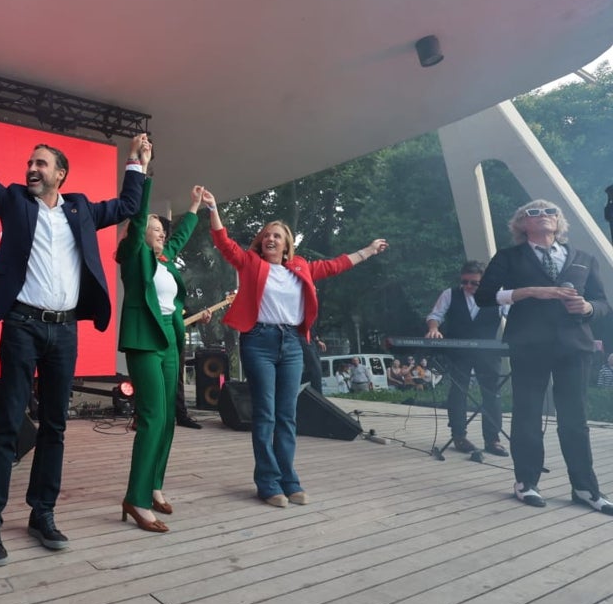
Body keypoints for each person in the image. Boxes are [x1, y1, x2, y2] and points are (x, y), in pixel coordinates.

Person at [0, 94, 147, 566]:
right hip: (21, 325)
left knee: (55, 425)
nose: (31, 168)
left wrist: (136, 161)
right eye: (29, 162)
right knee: (8, 423)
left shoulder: (81, 210)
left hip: (64, 333)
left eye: (41, 163)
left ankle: (42, 512)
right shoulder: (14, 201)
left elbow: (130, 204)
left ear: (60, 174)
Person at [208, 199, 387, 507]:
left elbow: (335, 265)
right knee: (265, 413)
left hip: (291, 343)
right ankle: (268, 483)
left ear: (287, 244)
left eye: (277, 235)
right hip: (259, 341)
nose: (270, 238)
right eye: (266, 235)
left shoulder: (301, 267)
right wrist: (212, 209)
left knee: (287, 414)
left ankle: (289, 480)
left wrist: (368, 250)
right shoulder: (251, 263)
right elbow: (224, 243)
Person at [475, 199, 611, 514]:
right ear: (522, 225)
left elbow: (603, 303)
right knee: (527, 415)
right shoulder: (509, 257)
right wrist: (527, 292)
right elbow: (483, 297)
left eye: (549, 211)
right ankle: (526, 483)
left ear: (559, 221)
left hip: (574, 346)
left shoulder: (583, 258)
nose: (542, 215)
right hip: (528, 344)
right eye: (532, 212)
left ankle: (585, 488)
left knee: (575, 419)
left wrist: (588, 308)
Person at [116, 180, 208, 532]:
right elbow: (139, 223)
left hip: (170, 337)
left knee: (169, 417)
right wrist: (143, 174)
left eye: (160, 230)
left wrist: (195, 207)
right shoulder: (133, 257)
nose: (159, 233)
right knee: (152, 417)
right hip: (143, 340)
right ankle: (135, 499)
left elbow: (179, 236)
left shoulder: (165, 262)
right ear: (138, 233)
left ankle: (153, 486)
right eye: (152, 229)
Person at [425, 260, 508, 454]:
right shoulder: (450, 294)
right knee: (458, 391)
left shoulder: (497, 295)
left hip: (487, 351)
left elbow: (512, 315)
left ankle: (492, 439)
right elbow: (435, 315)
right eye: (465, 282)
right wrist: (433, 328)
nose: (468, 286)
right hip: (458, 350)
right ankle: (459, 436)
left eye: (474, 283)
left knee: (492, 393)